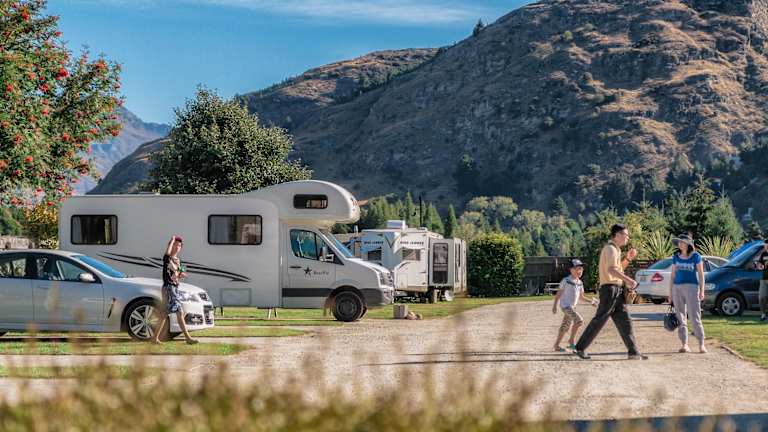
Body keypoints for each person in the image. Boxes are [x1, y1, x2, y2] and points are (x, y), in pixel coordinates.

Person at [574, 224, 648, 360]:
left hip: (615, 290)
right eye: (626, 235)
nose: (628, 238)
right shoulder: (610, 249)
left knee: (625, 321)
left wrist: (628, 258)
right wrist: (629, 281)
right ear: (618, 235)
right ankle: (580, 348)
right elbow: (611, 270)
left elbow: (618, 269)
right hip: (610, 290)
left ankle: (633, 352)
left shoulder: (615, 249)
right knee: (600, 320)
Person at [153, 235, 198, 345]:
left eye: (179, 245)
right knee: (175, 313)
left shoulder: (178, 261)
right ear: (171, 246)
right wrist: (171, 240)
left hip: (174, 288)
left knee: (168, 314)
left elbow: (180, 272)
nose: (177, 247)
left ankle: (155, 338)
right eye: (175, 245)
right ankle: (187, 338)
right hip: (169, 288)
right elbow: (167, 254)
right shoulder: (168, 258)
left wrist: (181, 274)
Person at [667, 234, 706, 353]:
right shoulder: (676, 257)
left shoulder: (696, 256)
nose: (680, 244)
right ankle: (684, 344)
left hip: (692, 288)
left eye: (682, 242)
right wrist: (670, 293)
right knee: (680, 316)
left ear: (688, 244)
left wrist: (702, 290)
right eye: (679, 242)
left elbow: (701, 275)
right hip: (677, 288)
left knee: (695, 316)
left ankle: (701, 344)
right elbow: (672, 276)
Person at [552, 259, 597, 352]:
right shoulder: (566, 281)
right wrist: (555, 305)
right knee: (579, 321)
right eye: (577, 268)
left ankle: (556, 345)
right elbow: (559, 293)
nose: (580, 271)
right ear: (571, 270)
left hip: (572, 307)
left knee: (565, 326)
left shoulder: (580, 283)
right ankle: (571, 341)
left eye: (581, 269)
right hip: (566, 307)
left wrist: (591, 301)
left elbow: (581, 297)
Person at [756, 241, 768, 322]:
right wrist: (759, 266)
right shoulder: (763, 254)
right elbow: (759, 264)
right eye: (765, 246)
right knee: (762, 297)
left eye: (767, 245)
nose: (765, 247)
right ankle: (763, 314)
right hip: (764, 279)